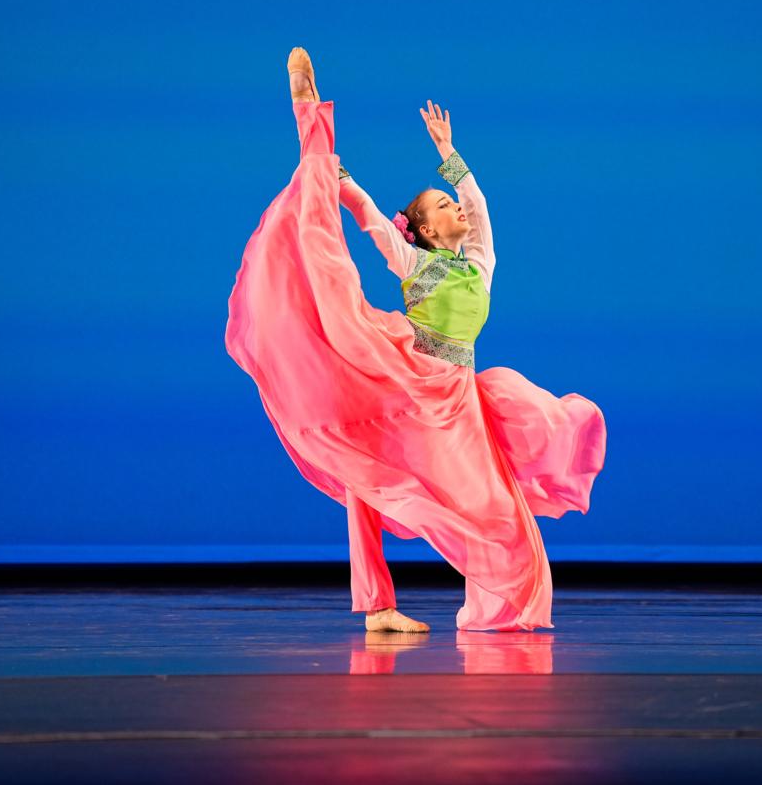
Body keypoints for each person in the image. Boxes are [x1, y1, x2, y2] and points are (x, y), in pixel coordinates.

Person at [224, 47, 606, 633]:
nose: (457, 208)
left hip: (457, 398)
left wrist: (449, 155)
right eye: (443, 205)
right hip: (407, 374)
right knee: (363, 465)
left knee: (493, 506)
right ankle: (377, 606)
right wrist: (336, 175)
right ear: (426, 228)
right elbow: (370, 216)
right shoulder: (414, 264)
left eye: (452, 201)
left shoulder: (479, 263)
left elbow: (479, 205)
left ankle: (499, 605)